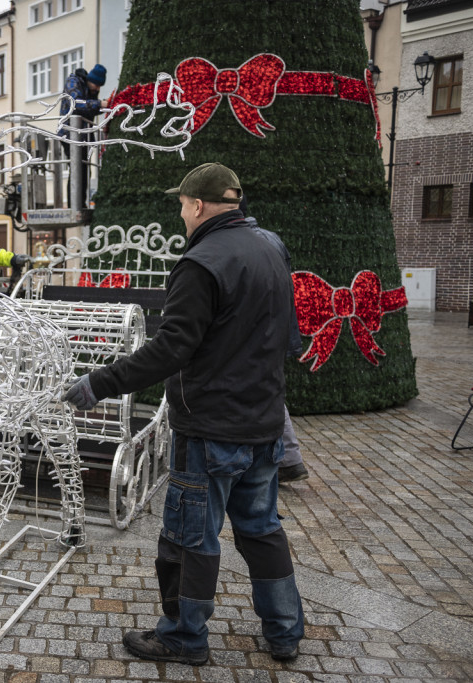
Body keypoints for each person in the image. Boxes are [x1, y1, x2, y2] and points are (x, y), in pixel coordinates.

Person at [63, 163, 304, 665]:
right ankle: (284, 631)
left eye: (181, 205)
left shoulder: (202, 261)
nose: (180, 213)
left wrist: (100, 382)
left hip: (210, 429)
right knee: (261, 530)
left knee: (189, 538)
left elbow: (171, 349)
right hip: (262, 425)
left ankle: (182, 636)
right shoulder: (271, 246)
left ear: (197, 205)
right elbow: (288, 335)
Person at [239, 194, 310, 485]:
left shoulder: (243, 243)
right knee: (266, 391)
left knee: (260, 393)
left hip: (257, 332)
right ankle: (286, 459)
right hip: (276, 329)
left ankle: (283, 460)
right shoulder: (272, 239)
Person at [58, 63, 107, 208]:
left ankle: (80, 203)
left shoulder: (88, 88)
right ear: (90, 79)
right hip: (69, 133)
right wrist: (99, 104)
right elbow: (77, 104)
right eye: (96, 85)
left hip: (83, 135)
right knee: (77, 169)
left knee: (84, 169)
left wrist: (101, 105)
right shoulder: (73, 82)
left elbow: (88, 109)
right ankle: (75, 204)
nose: (97, 89)